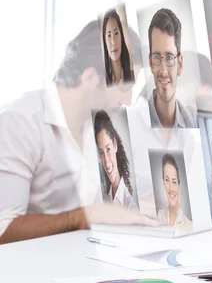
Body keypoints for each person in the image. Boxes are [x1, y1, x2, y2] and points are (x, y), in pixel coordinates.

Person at [0, 20, 159, 244]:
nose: (128, 101)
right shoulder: (19, 122)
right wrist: (83, 217)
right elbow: (3, 230)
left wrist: (146, 202)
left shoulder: (100, 124)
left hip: (83, 261)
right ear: (90, 77)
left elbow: (125, 190)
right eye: (123, 88)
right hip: (28, 269)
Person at [147, 8, 197, 128]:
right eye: (157, 57)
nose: (163, 71)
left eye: (169, 57)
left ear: (179, 65)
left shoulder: (195, 121)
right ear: (150, 63)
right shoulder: (136, 120)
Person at [93, 110, 138, 210]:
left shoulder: (130, 206)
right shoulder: (107, 197)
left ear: (115, 144)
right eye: (101, 152)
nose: (107, 163)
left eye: (108, 149)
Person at [156, 153, 193, 233]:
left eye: (174, 181)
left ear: (178, 186)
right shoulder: (159, 216)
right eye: (167, 180)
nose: (171, 188)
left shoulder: (190, 226)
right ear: (163, 182)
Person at [101, 8, 135, 86]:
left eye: (116, 33)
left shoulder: (134, 77)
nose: (113, 42)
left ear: (121, 36)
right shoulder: (103, 84)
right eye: (109, 35)